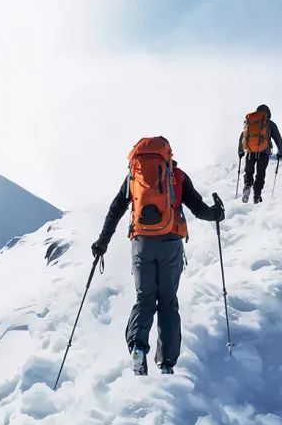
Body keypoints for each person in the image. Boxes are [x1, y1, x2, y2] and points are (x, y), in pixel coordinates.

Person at [91, 137, 224, 376]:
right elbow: (200, 210)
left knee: (144, 299)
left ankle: (138, 348)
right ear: (168, 154)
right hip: (170, 244)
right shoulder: (177, 176)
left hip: (142, 244)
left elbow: (115, 210)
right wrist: (216, 214)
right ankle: (166, 363)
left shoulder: (134, 176)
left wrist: (102, 243)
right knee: (167, 301)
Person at [237, 104, 282, 204]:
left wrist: (240, 151)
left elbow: (243, 136)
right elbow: (278, 138)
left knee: (248, 172)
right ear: (268, 113)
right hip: (264, 152)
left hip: (250, 151)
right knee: (260, 173)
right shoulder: (270, 124)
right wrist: (280, 152)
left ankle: (247, 187)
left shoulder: (250, 121)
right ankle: (257, 195)